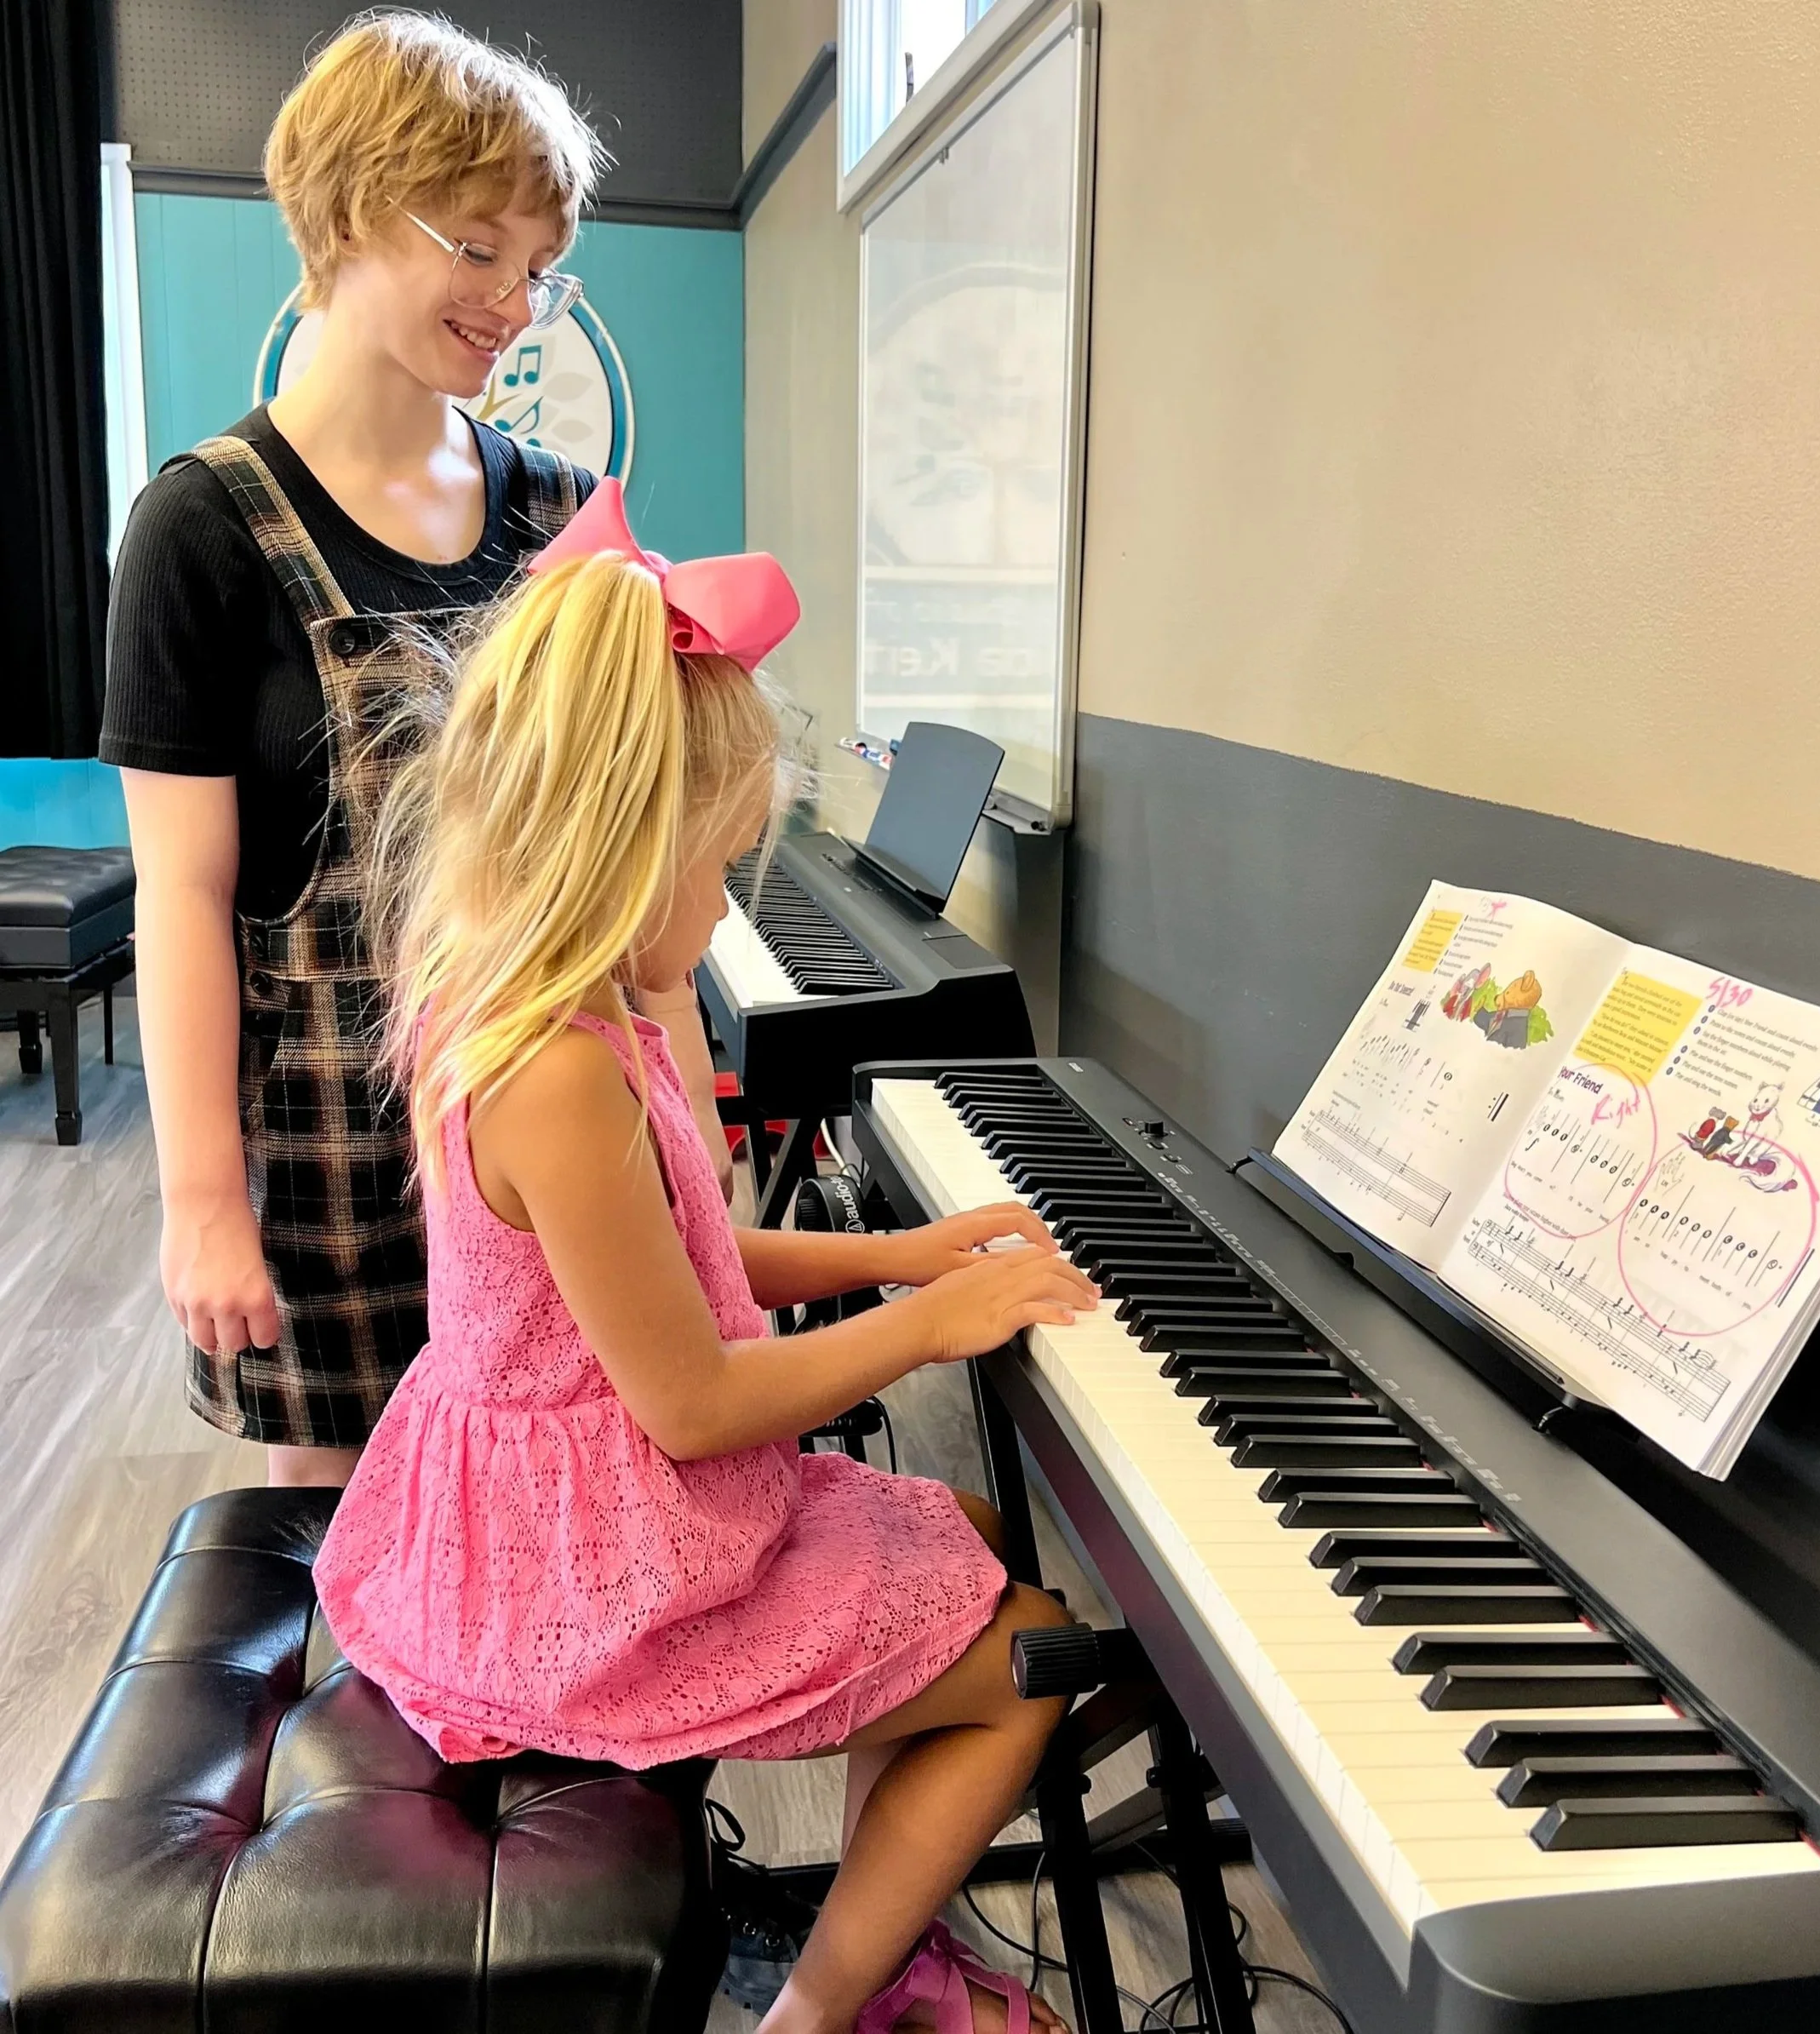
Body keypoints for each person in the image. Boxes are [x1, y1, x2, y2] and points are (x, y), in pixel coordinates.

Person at [312, 480, 1095, 2034]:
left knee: (950, 1518)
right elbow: (694, 1397)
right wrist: (933, 1319)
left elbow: (682, 1261)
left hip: (574, 1505)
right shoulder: (561, 1068)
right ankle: (823, 2014)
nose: (727, 900)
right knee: (1027, 1658)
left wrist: (903, 1247)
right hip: (583, 1573)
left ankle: (892, 1943)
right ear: (614, 844)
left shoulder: (559, 1006)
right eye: (719, 863)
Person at [100, 11, 729, 1484]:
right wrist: (201, 1199)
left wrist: (695, 1147)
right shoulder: (198, 530)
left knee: (600, 1526)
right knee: (365, 1577)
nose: (516, 302)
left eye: (538, 267)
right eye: (479, 248)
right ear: (353, 208)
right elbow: (182, 896)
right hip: (339, 1155)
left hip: (561, 1147)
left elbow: (638, 881)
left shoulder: (564, 510)